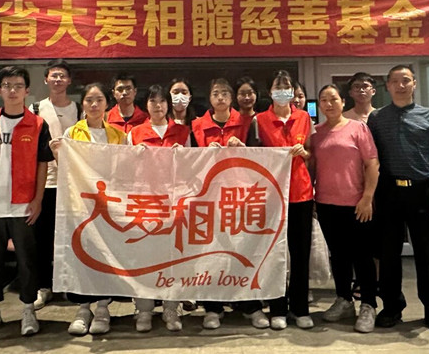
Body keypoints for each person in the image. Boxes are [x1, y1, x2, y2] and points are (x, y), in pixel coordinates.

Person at [0, 66, 53, 339]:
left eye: (18, 85)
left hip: (24, 205)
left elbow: (43, 164)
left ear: (27, 91)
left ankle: (28, 310)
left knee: (27, 261)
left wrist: (38, 199)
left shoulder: (38, 125)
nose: (12, 90)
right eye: (7, 85)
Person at [367, 65, 429, 337]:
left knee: (426, 253)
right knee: (388, 253)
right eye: (395, 81)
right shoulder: (376, 119)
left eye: (405, 80)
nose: (400, 85)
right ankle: (392, 306)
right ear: (387, 86)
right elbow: (370, 159)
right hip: (387, 191)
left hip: (421, 191)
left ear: (414, 83)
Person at [191, 78, 269, 330]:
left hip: (240, 197)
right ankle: (212, 307)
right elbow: (189, 163)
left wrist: (243, 148)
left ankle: (250, 305)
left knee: (243, 251)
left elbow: (261, 157)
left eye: (225, 93)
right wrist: (205, 155)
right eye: (216, 93)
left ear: (232, 97)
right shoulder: (197, 126)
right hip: (209, 198)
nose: (221, 97)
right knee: (211, 254)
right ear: (209, 98)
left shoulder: (247, 122)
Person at [58, 82, 127, 335]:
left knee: (105, 257)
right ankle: (83, 309)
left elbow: (126, 170)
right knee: (82, 256)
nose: (94, 105)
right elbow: (66, 168)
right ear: (83, 104)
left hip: (108, 206)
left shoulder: (118, 135)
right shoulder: (72, 133)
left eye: (99, 100)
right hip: (81, 206)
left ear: (107, 104)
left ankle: (102, 309)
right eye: (89, 100)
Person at [309, 84, 379, 333]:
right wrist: (312, 198)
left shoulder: (357, 128)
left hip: (357, 204)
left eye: (333, 99)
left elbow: (372, 165)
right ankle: (344, 300)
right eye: (324, 100)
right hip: (326, 205)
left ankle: (368, 304)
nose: (329, 104)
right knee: (338, 256)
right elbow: (313, 168)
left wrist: (367, 198)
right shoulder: (316, 133)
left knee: (362, 256)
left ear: (342, 101)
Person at [128, 85, 190, 332]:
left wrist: (184, 156)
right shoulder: (135, 133)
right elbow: (125, 169)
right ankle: (143, 310)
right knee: (144, 258)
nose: (158, 105)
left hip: (174, 203)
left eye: (162, 101)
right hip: (145, 203)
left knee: (172, 257)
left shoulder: (182, 132)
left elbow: (194, 168)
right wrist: (134, 156)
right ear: (145, 105)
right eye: (153, 101)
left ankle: (171, 308)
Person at [255, 70, 314, 330]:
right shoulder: (260, 120)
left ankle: (300, 309)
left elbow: (311, 153)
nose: (282, 91)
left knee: (301, 254)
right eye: (277, 87)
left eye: (286, 86)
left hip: (301, 193)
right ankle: (277, 308)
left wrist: (305, 153)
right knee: (274, 255)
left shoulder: (304, 117)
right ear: (270, 92)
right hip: (273, 195)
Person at [30, 59, 79, 311]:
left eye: (62, 76)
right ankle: (43, 287)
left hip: (74, 183)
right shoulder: (36, 108)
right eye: (54, 75)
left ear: (69, 81)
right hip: (45, 182)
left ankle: (70, 284)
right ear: (46, 79)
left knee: (71, 237)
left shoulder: (79, 109)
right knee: (43, 237)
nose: (58, 80)